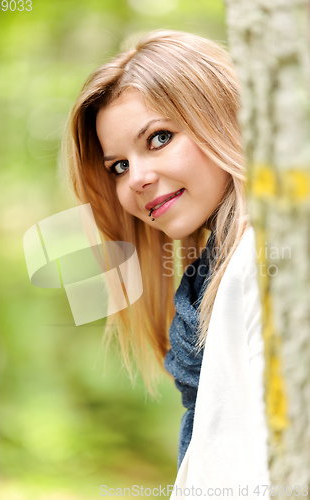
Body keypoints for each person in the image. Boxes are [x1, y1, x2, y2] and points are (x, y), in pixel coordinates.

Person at [63, 30, 270, 498]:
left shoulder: (267, 262)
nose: (136, 179)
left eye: (159, 138)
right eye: (118, 165)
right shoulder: (212, 278)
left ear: (226, 119)